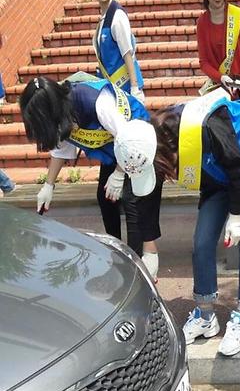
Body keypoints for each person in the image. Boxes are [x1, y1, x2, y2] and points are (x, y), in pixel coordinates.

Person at [149, 90, 240, 356]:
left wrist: (235, 215)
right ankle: (206, 314)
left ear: (170, 149)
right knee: (202, 243)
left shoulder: (210, 126)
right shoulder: (169, 136)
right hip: (219, 178)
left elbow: (239, 172)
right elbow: (205, 175)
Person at [18, 76, 162, 277]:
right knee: (105, 198)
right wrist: (48, 186)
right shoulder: (60, 115)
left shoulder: (93, 100)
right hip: (113, 148)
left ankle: (138, 265)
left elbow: (126, 136)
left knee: (132, 202)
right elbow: (61, 150)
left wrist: (119, 175)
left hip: (135, 143)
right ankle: (118, 255)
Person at [88, 0, 145, 102]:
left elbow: (127, 53)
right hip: (114, 90)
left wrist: (134, 88)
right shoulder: (104, 18)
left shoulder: (117, 16)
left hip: (127, 89)